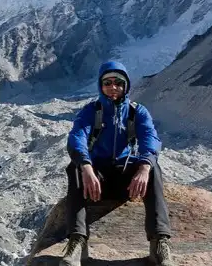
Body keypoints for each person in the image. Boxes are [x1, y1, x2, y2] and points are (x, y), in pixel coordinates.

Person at [60, 61, 173, 266]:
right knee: (75, 167)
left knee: (154, 168)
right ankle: (77, 241)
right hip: (97, 180)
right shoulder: (90, 112)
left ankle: (159, 242)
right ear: (100, 86)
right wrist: (86, 166)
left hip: (125, 178)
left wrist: (145, 166)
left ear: (126, 86)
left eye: (118, 83)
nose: (113, 87)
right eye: (108, 82)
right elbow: (76, 137)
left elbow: (150, 138)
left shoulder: (136, 112)